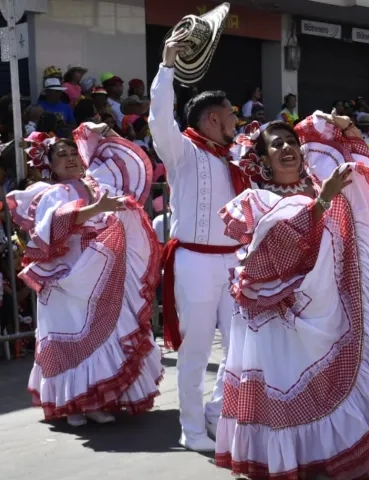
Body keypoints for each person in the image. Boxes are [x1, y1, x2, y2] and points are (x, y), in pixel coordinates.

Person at [214, 116, 369, 479]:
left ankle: (325, 456)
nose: (287, 148)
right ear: (263, 160)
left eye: (291, 142)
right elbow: (274, 247)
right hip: (277, 314)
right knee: (284, 384)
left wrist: (341, 130)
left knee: (325, 388)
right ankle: (287, 461)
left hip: (326, 306)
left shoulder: (320, 187)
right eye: (276, 145)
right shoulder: (255, 200)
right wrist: (323, 200)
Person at [6, 123, 163, 427]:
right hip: (66, 276)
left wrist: (107, 133)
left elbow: (131, 164)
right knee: (71, 336)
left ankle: (93, 399)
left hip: (100, 272)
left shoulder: (96, 183)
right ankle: (73, 404)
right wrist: (95, 209)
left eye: (72, 153)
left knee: (102, 334)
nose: (69, 159)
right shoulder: (51, 193)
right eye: (60, 155)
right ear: (49, 165)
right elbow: (50, 229)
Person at [149, 37, 253, 452]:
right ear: (213, 119)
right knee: (194, 351)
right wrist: (167, 66)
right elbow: (159, 118)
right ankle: (190, 430)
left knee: (241, 347)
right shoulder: (183, 152)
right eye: (231, 116)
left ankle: (215, 413)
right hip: (194, 261)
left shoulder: (234, 159)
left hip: (233, 262)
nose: (236, 123)